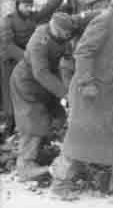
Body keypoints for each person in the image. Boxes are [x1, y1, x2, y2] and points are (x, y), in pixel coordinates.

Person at [50, 0, 113, 200]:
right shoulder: (105, 20)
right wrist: (86, 83)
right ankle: (60, 184)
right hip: (92, 92)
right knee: (80, 137)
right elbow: (83, 52)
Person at [9, 13, 75, 182]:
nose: (66, 37)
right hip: (27, 83)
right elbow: (41, 72)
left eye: (68, 34)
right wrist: (65, 94)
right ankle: (25, 165)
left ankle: (42, 152)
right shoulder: (39, 41)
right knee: (33, 122)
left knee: (58, 116)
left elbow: (66, 59)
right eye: (64, 33)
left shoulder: (61, 34)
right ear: (54, 26)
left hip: (46, 83)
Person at [0, 0, 67, 137]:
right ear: (17, 5)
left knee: (32, 95)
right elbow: (8, 46)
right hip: (10, 63)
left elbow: (48, 9)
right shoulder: (7, 21)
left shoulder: (31, 17)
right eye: (25, 5)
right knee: (10, 98)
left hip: (27, 62)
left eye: (30, 5)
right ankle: (9, 129)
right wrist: (31, 58)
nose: (29, 9)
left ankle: (30, 128)